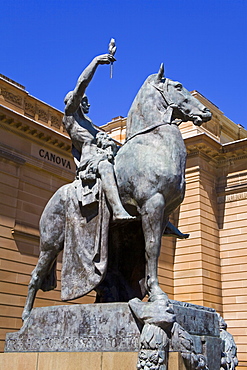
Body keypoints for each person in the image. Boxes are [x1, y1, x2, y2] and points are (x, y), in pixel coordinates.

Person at [63, 54, 134, 222]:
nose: (88, 103)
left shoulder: (91, 126)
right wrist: (96, 62)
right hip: (91, 162)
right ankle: (117, 211)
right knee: (105, 167)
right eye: (84, 100)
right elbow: (81, 84)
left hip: (103, 156)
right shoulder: (70, 115)